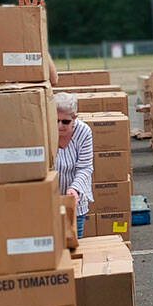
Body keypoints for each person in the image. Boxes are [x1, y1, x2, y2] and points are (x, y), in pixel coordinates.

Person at [54, 92, 94, 238]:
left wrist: (74, 188)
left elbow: (85, 167)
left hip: (74, 204)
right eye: (55, 120)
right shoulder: (44, 130)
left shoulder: (83, 132)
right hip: (47, 202)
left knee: (73, 246)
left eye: (65, 122)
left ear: (74, 118)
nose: (59, 126)